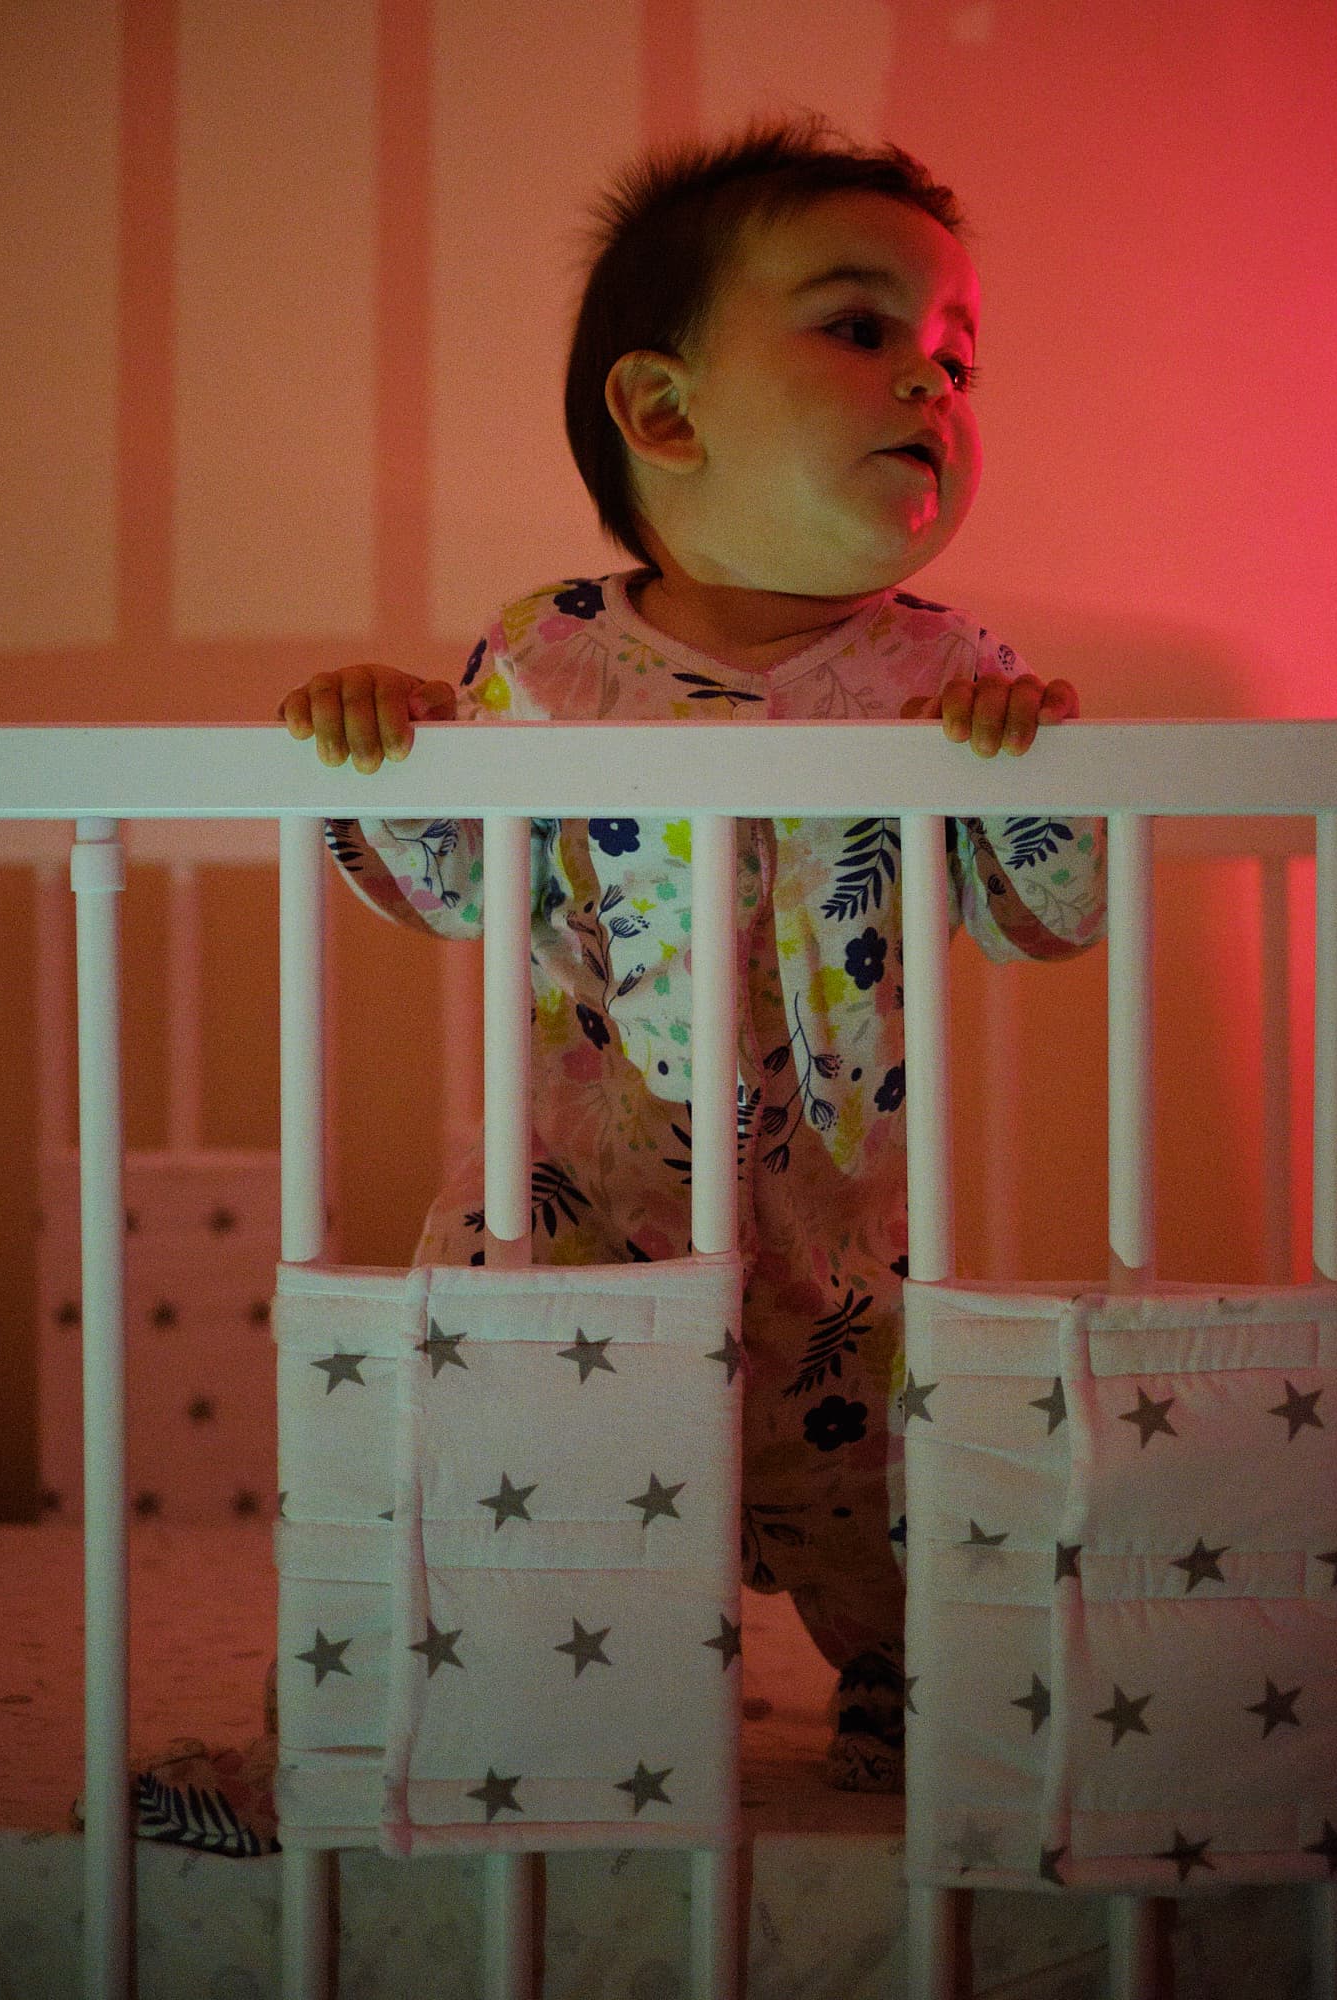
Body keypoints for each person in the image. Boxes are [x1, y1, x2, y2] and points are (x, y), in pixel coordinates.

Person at [279, 120, 1106, 1791]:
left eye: (957, 357)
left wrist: (1040, 766)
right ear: (662, 413)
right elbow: (447, 886)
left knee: (890, 1477)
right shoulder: (550, 655)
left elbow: (1050, 916)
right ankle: (566, 1674)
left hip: (842, 1217)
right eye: (864, 330)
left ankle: (908, 1688)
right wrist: (393, 741)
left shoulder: (949, 673)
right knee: (544, 1434)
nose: (930, 384)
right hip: (586, 1197)